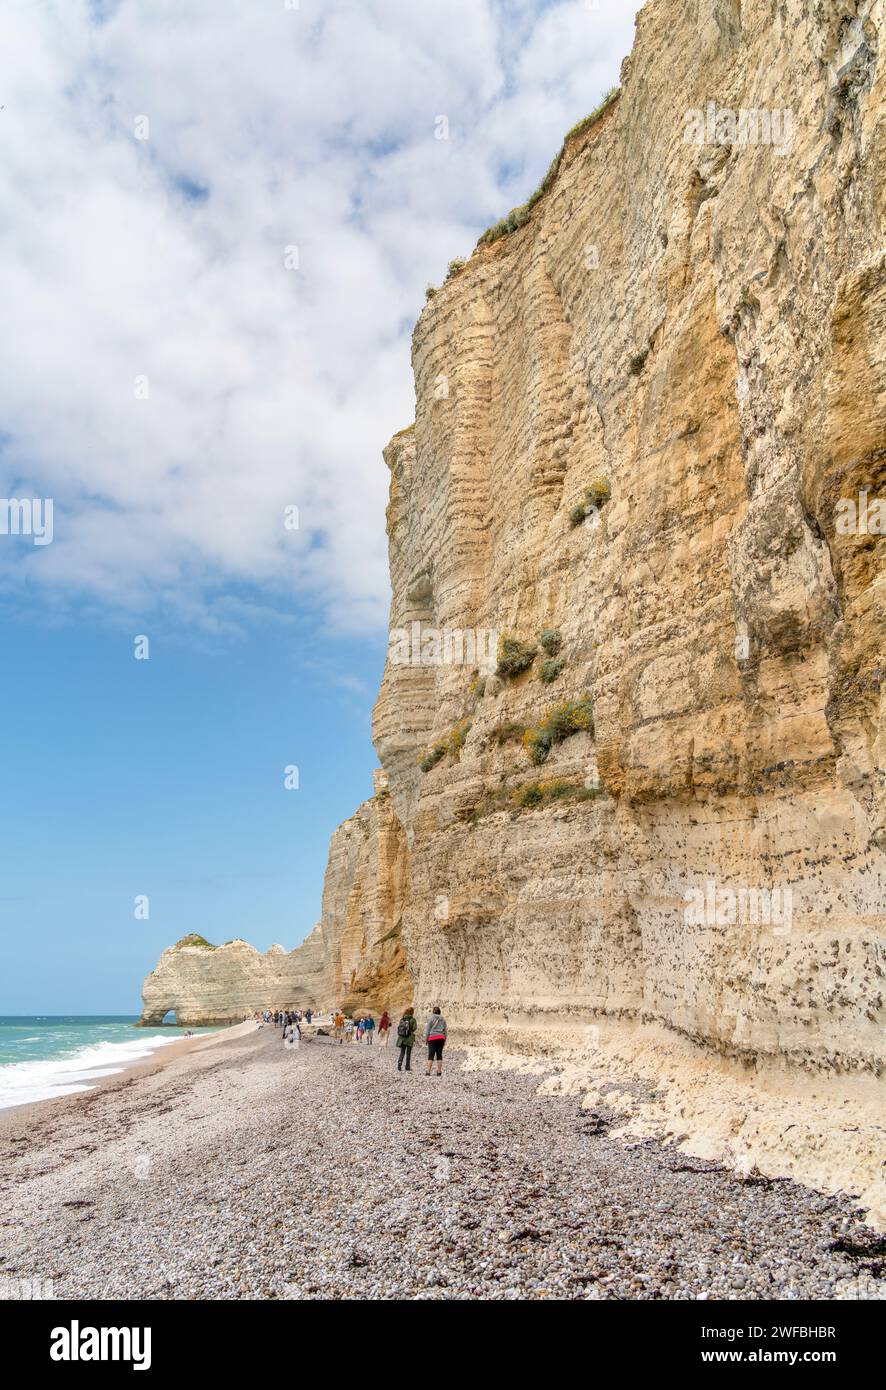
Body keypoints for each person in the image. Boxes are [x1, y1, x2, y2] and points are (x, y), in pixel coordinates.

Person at [424, 1005, 448, 1076]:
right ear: (440, 1012)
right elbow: (445, 1031)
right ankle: (439, 1072)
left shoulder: (430, 1018)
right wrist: (445, 1040)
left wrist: (426, 1039)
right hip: (441, 1038)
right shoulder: (443, 1019)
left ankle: (428, 1072)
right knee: (439, 1055)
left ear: (433, 1012)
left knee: (431, 1055)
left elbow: (427, 1030)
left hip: (432, 1038)